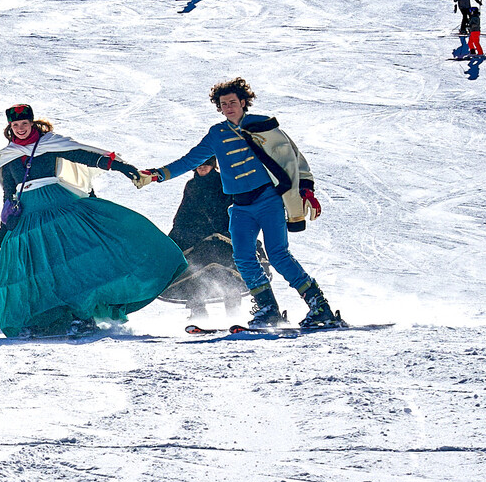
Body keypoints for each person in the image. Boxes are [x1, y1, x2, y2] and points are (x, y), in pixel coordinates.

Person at [136, 78, 338, 329]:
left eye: (233, 102)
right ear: (219, 108)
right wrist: (158, 174)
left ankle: (320, 307)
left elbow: (293, 157)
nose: (229, 107)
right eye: (223, 104)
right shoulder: (216, 134)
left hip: (268, 200)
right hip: (240, 207)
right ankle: (268, 310)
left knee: (278, 255)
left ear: (244, 103)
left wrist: (306, 189)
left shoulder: (263, 127)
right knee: (243, 258)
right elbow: (189, 160)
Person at [0, 104, 184, 337]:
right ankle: (42, 320)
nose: (21, 129)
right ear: (10, 128)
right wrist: (4, 227)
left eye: (25, 124)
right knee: (33, 269)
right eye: (16, 125)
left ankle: (82, 317)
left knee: (71, 264)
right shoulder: (7, 155)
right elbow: (9, 194)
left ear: (32, 123)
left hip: (58, 206)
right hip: (29, 214)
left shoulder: (50, 144)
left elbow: (85, 156)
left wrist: (123, 168)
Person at [158, 158, 250, 320]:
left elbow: (232, 207)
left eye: (206, 165)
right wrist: (177, 234)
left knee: (229, 270)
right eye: (199, 165)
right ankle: (199, 313)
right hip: (196, 236)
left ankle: (233, 314)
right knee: (193, 270)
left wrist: (226, 230)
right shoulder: (192, 186)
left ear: (213, 166)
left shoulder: (224, 182)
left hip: (222, 235)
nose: (202, 168)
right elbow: (184, 212)